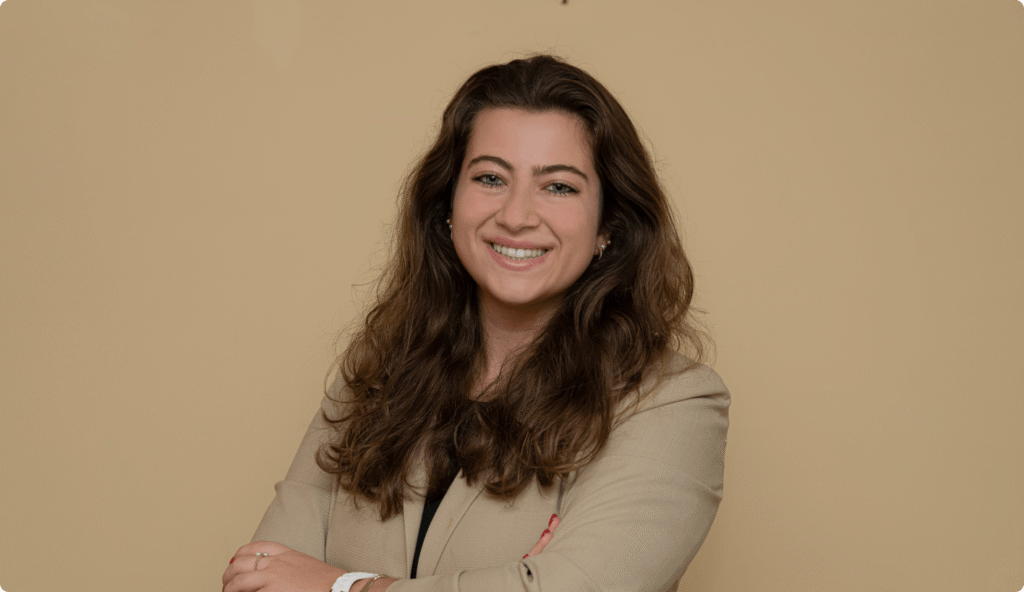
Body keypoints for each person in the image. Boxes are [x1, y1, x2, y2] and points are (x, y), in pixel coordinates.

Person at [222, 54, 729, 592]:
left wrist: (342, 585)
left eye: (558, 186)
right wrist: (512, 579)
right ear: (447, 204)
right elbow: (260, 577)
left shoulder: (672, 404)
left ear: (608, 223)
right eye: (490, 178)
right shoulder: (376, 376)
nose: (515, 215)